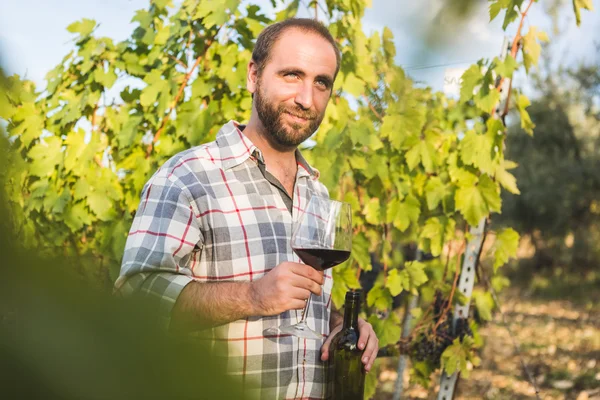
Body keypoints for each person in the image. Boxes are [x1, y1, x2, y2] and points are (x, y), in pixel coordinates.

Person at [114, 18, 379, 399]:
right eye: (292, 75)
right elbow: (135, 300)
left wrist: (339, 323)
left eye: (321, 82)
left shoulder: (318, 195)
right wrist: (253, 296)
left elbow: (309, 300)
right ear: (254, 75)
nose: (307, 98)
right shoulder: (188, 177)